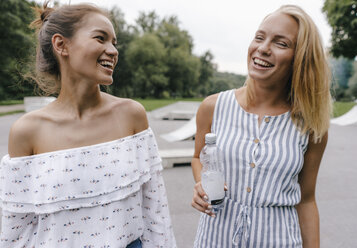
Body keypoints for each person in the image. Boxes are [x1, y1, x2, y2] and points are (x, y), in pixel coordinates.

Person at [0, 2, 176, 248]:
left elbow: (155, 211)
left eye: (114, 42)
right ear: (61, 45)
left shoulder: (131, 115)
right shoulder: (27, 131)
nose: (112, 50)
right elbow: (15, 232)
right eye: (100, 38)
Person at [191, 5, 331, 248]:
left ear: (300, 58)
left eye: (281, 43)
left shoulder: (310, 125)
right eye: (259, 37)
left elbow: (306, 200)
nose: (263, 48)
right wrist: (201, 185)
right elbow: (197, 157)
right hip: (214, 240)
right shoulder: (212, 107)